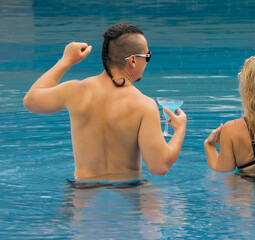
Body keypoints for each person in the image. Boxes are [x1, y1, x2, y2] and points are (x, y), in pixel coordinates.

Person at [23, 23, 187, 179]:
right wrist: (179, 129)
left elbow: (31, 101)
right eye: (147, 56)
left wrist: (66, 61)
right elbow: (159, 167)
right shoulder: (144, 105)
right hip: (128, 196)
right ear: (133, 60)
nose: (147, 61)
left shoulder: (74, 91)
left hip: (83, 195)